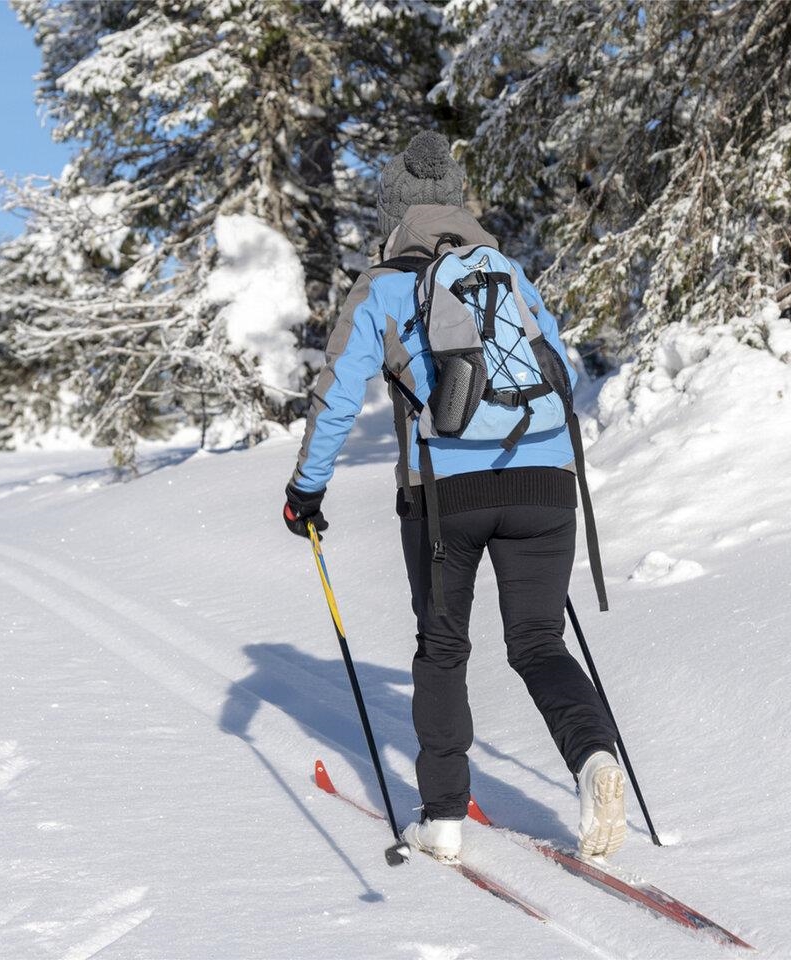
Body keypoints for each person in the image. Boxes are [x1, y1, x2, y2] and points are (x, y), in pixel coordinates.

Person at [281, 131, 626, 863]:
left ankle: (441, 818)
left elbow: (336, 399)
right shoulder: (506, 273)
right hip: (546, 484)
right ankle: (595, 759)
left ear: (394, 214)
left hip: (445, 496)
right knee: (538, 642)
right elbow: (557, 368)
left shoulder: (382, 287)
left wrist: (305, 492)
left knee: (442, 649)